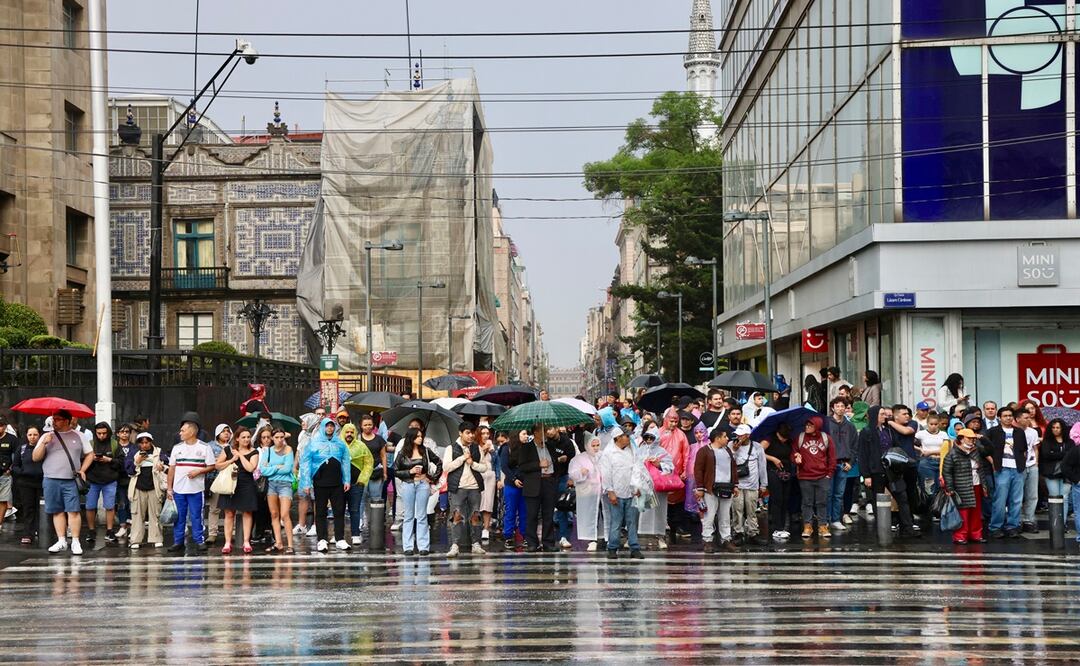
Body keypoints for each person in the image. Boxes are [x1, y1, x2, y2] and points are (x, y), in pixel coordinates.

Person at [34, 409, 93, 554]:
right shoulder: (46, 436)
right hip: (50, 478)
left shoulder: (79, 435)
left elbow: (90, 454)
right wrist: (43, 444)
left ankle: (75, 541)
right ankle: (61, 540)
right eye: (53, 419)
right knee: (56, 511)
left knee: (73, 510)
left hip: (70, 479)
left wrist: (83, 470)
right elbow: (35, 457)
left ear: (67, 420)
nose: (54, 422)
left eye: (58, 419)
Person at [299, 418, 351, 552]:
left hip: (337, 482)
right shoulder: (314, 443)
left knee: (339, 511)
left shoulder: (340, 444)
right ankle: (322, 539)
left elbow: (345, 462)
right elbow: (306, 462)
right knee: (320, 511)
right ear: (323, 427)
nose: (329, 428)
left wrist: (347, 480)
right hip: (320, 482)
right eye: (327, 426)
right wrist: (306, 482)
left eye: (332, 426)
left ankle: (339, 538)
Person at [166, 413, 216, 554]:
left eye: (183, 430)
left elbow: (212, 466)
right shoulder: (177, 448)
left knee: (196, 516)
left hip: (196, 489)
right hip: (178, 489)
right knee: (179, 517)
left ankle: (199, 540)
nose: (180, 433)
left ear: (192, 431)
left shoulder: (205, 447)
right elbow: (171, 469)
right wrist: (169, 488)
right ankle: (178, 541)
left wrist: (198, 472)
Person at [443, 422, 489, 557]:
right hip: (458, 487)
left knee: (476, 516)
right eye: (467, 433)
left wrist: (472, 463)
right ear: (460, 433)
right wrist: (462, 458)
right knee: (456, 516)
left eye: (472, 433)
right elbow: (446, 467)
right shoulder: (451, 448)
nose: (471, 436)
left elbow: (484, 467)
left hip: (474, 487)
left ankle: (476, 543)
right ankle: (454, 545)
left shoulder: (477, 448)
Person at [394, 427, 441, 556]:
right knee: (408, 515)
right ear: (412, 438)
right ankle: (408, 546)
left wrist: (432, 478)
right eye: (418, 436)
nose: (421, 438)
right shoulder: (403, 452)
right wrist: (410, 472)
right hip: (408, 484)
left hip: (423, 484)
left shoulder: (425, 451)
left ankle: (423, 546)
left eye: (421, 436)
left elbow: (439, 462)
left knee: (422, 515)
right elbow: (395, 470)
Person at [511, 424, 558, 553]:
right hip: (534, 484)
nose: (546, 432)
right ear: (536, 432)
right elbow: (522, 466)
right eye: (543, 430)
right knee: (532, 514)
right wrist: (538, 465)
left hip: (549, 481)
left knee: (548, 514)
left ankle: (548, 542)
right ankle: (532, 542)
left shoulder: (550, 445)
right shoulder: (527, 447)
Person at [598, 426, 644, 560]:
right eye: (626, 436)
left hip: (631, 492)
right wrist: (610, 491)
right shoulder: (609, 453)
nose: (628, 438)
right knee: (616, 522)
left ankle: (634, 547)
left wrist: (638, 486)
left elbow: (637, 468)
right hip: (616, 493)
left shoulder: (632, 451)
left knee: (632, 522)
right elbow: (606, 474)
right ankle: (612, 548)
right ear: (618, 438)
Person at [984, 406, 1028, 539]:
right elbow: (985, 450)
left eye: (1010, 415)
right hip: (1001, 468)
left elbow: (1024, 450)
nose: (1008, 418)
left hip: (1018, 468)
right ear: (999, 417)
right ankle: (995, 527)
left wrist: (1022, 463)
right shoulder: (993, 431)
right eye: (1005, 416)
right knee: (1000, 499)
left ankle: (1012, 526)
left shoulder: (1019, 432)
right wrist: (993, 462)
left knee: (1016, 500)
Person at [216, 427, 260, 554]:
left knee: (247, 512)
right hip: (230, 483)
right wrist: (231, 460)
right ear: (237, 438)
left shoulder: (254, 452)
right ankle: (227, 542)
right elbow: (218, 465)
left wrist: (240, 455)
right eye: (243, 437)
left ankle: (246, 541)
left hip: (246, 483)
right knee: (229, 513)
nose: (246, 439)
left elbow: (251, 468)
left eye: (248, 437)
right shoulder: (228, 449)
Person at [694, 427, 738, 552]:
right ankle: (707, 540)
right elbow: (698, 470)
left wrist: (735, 485)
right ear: (717, 438)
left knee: (725, 516)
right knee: (710, 515)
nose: (727, 438)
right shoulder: (704, 451)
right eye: (725, 436)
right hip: (710, 489)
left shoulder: (728, 450)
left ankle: (726, 539)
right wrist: (700, 488)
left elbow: (733, 468)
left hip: (726, 488)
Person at [792, 416, 836, 539]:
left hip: (822, 476)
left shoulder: (826, 438)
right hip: (805, 476)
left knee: (822, 502)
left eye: (810, 425)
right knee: (807, 502)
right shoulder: (800, 438)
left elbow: (832, 458)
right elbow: (793, 452)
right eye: (806, 425)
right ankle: (807, 525)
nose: (807, 427)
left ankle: (822, 525)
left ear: (817, 426)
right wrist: (796, 457)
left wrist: (829, 474)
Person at [941, 428, 986, 545]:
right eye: (969, 438)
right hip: (960, 486)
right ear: (961, 439)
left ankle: (976, 534)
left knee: (976, 511)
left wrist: (983, 439)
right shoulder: (952, 454)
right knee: (963, 512)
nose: (972, 441)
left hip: (976, 484)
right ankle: (960, 536)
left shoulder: (976, 450)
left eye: (973, 438)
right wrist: (950, 488)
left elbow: (989, 451)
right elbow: (947, 472)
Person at [82, 422, 122, 545]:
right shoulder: (90, 444)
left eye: (104, 433)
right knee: (90, 506)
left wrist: (109, 460)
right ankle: (91, 530)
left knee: (109, 506)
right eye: (99, 433)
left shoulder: (115, 444)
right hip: (92, 479)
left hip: (109, 479)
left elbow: (121, 462)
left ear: (108, 433)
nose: (101, 436)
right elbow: (81, 460)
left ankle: (109, 530)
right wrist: (91, 458)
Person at [125, 432, 167, 549]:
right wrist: (137, 462)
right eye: (142, 443)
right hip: (138, 487)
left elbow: (168, 466)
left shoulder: (158, 452)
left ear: (151, 442)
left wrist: (162, 467)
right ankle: (135, 540)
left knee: (155, 514)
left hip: (154, 487)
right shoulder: (133, 453)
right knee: (137, 515)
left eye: (146, 442)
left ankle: (156, 538)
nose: (144, 445)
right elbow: (129, 470)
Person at [259, 429, 296, 554]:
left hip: (285, 484)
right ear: (272, 438)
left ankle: (290, 544)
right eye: (277, 437)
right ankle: (278, 542)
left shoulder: (288, 449)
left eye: (282, 437)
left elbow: (287, 468)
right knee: (274, 514)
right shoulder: (268, 451)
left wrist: (271, 468)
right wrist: (276, 467)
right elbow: (263, 470)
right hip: (272, 484)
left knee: (285, 514)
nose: (280, 440)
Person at [731, 424, 768, 546]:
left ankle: (753, 532)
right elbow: (728, 463)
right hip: (737, 485)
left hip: (752, 484)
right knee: (737, 509)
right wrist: (734, 451)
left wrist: (763, 484)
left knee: (752, 510)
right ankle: (738, 532)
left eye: (741, 435)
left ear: (747, 435)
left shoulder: (757, 447)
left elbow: (762, 466)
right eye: (737, 434)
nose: (738, 437)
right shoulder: (731, 446)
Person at [339, 423, 374, 546]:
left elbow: (369, 463)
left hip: (356, 484)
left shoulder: (361, 446)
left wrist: (362, 480)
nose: (349, 434)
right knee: (339, 510)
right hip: (340, 484)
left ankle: (355, 534)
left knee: (355, 509)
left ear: (355, 433)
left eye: (351, 432)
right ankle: (339, 536)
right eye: (347, 432)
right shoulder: (337, 445)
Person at [826, 397, 857, 531]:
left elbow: (855, 446)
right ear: (832, 408)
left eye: (842, 406)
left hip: (844, 463)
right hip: (828, 464)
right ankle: (825, 520)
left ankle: (836, 519)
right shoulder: (826, 423)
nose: (840, 408)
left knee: (839, 494)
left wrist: (851, 462)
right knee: (827, 493)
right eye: (837, 406)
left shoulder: (850, 426)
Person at [762, 422, 795, 541]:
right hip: (772, 471)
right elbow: (759, 451)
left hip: (786, 471)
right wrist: (773, 458)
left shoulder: (789, 441)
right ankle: (777, 527)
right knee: (777, 498)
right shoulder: (769, 439)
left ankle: (781, 524)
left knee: (785, 499)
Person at [568, 435, 603, 551]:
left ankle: (602, 536)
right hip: (588, 493)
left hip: (603, 493)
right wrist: (581, 472)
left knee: (602, 515)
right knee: (591, 514)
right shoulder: (580, 459)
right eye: (593, 445)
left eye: (597, 445)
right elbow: (572, 473)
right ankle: (592, 539)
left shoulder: (603, 457)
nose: (596, 448)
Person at [545, 426, 577, 549]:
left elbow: (574, 461)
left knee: (562, 506)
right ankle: (548, 537)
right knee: (548, 507)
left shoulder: (567, 442)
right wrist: (557, 459)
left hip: (563, 476)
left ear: (557, 429)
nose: (548, 431)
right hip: (549, 477)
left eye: (551, 428)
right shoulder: (546, 442)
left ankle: (563, 536)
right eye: (547, 429)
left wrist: (571, 477)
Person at [11, 425, 43, 544]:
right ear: (26, 436)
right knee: (28, 508)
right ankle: (28, 533)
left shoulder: (44, 448)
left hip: (41, 483)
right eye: (30, 435)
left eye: (35, 434)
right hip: (25, 483)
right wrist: (22, 472)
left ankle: (41, 531)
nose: (33, 437)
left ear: (39, 435)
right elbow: (15, 465)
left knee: (41, 509)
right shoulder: (22, 448)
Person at [498, 430, 528, 550]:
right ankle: (508, 536)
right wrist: (514, 479)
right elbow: (504, 466)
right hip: (511, 484)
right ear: (517, 435)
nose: (526, 436)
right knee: (510, 511)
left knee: (524, 511)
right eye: (523, 434)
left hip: (525, 484)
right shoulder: (506, 448)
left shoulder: (527, 448)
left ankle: (525, 535)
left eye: (527, 434)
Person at [1040, 419, 1073, 525]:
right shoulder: (1047, 441)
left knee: (1065, 498)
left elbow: (1072, 456)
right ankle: (1055, 523)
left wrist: (1055, 453)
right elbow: (1046, 455)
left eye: (1058, 427)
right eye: (1053, 427)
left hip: (1066, 474)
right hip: (1051, 473)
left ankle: (1062, 524)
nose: (1055, 430)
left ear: (1062, 429)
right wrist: (1064, 454)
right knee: (1054, 497)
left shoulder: (1070, 442)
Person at [1014, 409, 1041, 533]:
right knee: (1018, 495)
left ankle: (1029, 520)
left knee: (1032, 495)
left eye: (1029, 417)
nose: (1028, 419)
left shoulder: (1033, 432)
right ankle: (1017, 521)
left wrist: (1036, 462)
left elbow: (1035, 448)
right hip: (1019, 466)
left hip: (1032, 465)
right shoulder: (1013, 431)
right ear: (1018, 419)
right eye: (1025, 417)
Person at [204, 424, 231, 545]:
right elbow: (208, 462)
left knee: (230, 508)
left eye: (228, 431)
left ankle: (232, 532)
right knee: (214, 508)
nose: (226, 433)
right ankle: (212, 533)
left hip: (230, 480)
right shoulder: (210, 446)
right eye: (223, 431)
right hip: (215, 479)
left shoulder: (233, 446)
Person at [914, 412, 950, 502]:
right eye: (931, 424)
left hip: (941, 462)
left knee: (941, 486)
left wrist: (930, 452)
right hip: (927, 463)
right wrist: (920, 449)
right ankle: (929, 510)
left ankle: (937, 510)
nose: (933, 426)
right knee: (928, 488)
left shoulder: (943, 434)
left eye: (936, 424)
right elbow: (910, 443)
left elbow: (947, 449)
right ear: (927, 424)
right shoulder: (921, 434)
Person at [112, 424, 135, 540]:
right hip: (119, 478)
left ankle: (133, 528)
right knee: (121, 504)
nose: (124, 434)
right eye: (122, 432)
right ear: (117, 434)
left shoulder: (134, 447)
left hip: (132, 479)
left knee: (132, 505)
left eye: (127, 432)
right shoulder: (115, 447)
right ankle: (122, 527)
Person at [476, 426, 498, 542]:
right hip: (478, 476)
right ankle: (475, 527)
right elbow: (474, 461)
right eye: (483, 433)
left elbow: (497, 463)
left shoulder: (492, 447)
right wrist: (483, 450)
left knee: (488, 503)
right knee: (477, 502)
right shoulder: (475, 447)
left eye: (487, 433)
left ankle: (486, 528)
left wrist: (498, 478)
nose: (485, 435)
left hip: (490, 476)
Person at [1060, 442, 1080, 541]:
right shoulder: (1076, 450)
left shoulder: (1076, 449)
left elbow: (1064, 466)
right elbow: (1064, 466)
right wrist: (1076, 480)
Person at [0, 416, 16, 535]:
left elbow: (17, 455)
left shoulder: (11, 439)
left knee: (3, 500)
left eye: (1, 425)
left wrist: (11, 469)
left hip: (4, 474)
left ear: (5, 426)